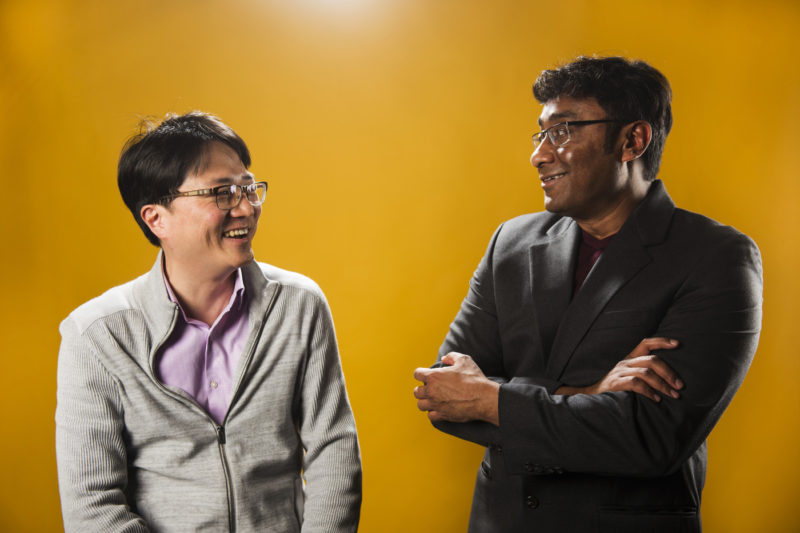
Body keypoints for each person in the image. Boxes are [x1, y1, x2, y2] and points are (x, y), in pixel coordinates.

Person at [413, 56, 762, 532]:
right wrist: (588, 393)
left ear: (632, 141)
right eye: (540, 134)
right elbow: (443, 394)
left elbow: (650, 437)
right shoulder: (510, 243)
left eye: (563, 131)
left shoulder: (716, 257)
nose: (539, 155)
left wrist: (492, 400)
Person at [56, 112, 362, 532]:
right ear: (156, 218)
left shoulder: (298, 304)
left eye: (248, 188)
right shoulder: (97, 335)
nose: (246, 208)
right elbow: (92, 506)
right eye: (222, 193)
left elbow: (334, 451)